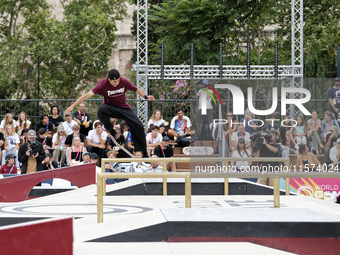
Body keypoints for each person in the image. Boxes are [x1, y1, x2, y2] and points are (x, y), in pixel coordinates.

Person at [64, 69, 155, 157]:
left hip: (123, 108)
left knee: (138, 125)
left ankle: (143, 152)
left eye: (118, 81)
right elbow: (86, 95)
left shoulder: (123, 81)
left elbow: (137, 89)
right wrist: (72, 106)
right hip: (110, 108)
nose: (116, 83)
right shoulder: (102, 85)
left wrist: (146, 97)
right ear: (109, 79)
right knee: (101, 110)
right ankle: (112, 131)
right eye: (114, 81)